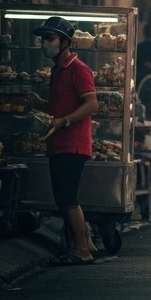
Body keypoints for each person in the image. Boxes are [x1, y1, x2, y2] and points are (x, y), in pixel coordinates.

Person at [35, 17, 101, 265]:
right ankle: (88, 244)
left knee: (67, 199)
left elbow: (92, 103)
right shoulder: (56, 71)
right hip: (57, 143)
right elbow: (57, 106)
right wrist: (39, 104)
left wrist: (65, 121)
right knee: (64, 198)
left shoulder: (79, 69)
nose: (44, 44)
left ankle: (82, 250)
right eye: (43, 39)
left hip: (73, 144)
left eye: (50, 39)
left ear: (65, 42)